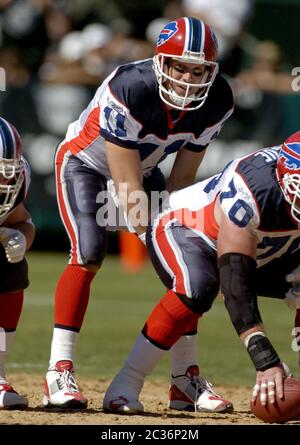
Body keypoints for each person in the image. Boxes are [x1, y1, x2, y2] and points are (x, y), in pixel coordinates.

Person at [43, 16, 234, 409]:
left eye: (198, 70)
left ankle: (185, 379)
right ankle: (58, 371)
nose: (188, 77)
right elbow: (127, 189)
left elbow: (181, 181)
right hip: (87, 165)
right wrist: (153, 228)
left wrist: (179, 240)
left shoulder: (217, 100)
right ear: (160, 61)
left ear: (211, 71)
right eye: (179, 66)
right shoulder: (130, 86)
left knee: (188, 263)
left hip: (146, 172)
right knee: (89, 253)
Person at [103, 131, 300, 413]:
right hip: (186, 227)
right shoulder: (254, 189)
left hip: (264, 248)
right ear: (285, 179)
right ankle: (126, 383)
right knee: (197, 286)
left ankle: (184, 385)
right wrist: (265, 360)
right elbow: (234, 284)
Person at [0, 117, 35, 409]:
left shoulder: (12, 186)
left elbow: (23, 222)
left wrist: (22, 238)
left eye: (8, 170)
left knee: (11, 265)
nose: (5, 180)